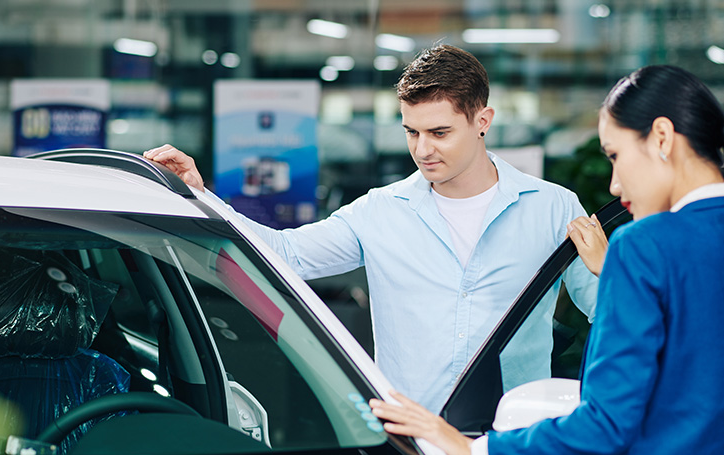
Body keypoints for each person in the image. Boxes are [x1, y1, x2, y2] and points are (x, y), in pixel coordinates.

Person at [370, 64, 724, 455]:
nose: (613, 184)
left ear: (661, 138)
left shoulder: (645, 249)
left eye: (615, 156)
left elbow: (607, 425)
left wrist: (475, 452)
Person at [145, 44, 599, 414]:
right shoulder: (382, 210)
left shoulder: (551, 207)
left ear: (482, 121)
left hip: (516, 440)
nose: (422, 150)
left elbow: (608, 312)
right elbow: (287, 255)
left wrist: (615, 269)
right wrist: (199, 196)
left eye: (439, 133)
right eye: (411, 132)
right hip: (412, 443)